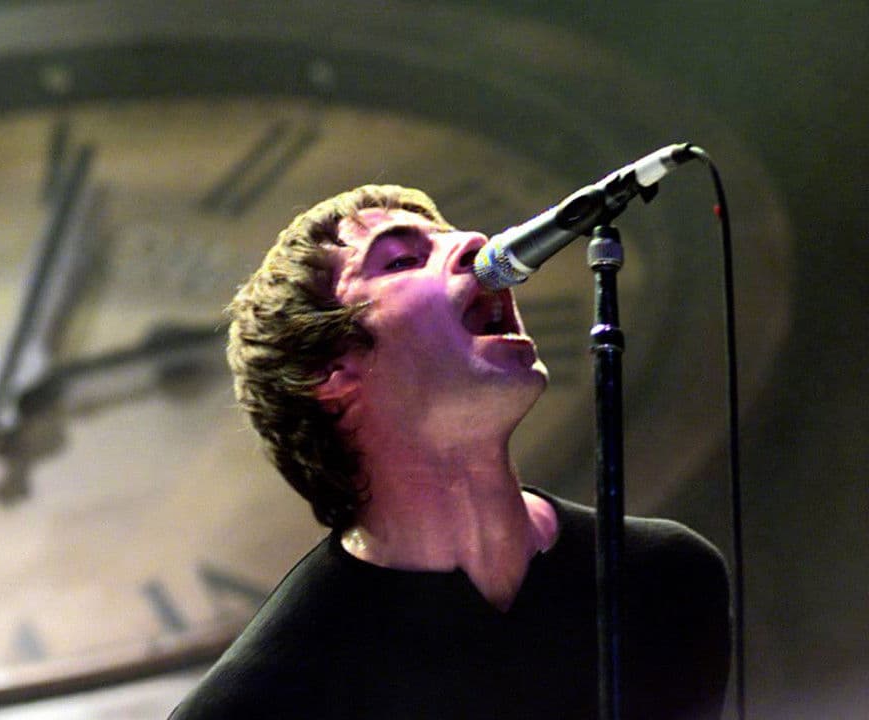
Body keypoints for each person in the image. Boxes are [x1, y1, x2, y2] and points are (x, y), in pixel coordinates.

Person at [169, 185, 729, 719]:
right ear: (330, 372)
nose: (476, 244)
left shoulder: (665, 581)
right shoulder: (264, 702)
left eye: (452, 236)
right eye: (401, 261)